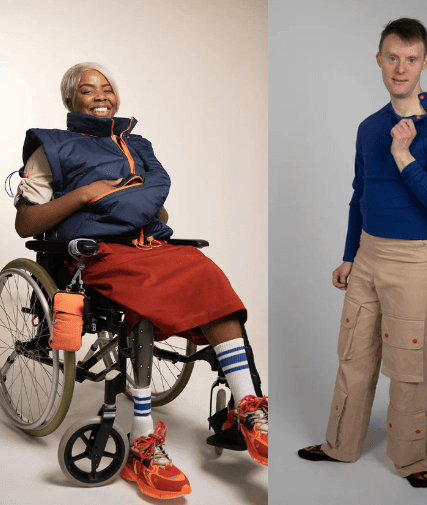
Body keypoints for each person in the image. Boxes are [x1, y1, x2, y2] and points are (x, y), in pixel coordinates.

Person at [12, 62, 268, 500]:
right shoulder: (51, 147)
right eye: (88, 89)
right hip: (94, 254)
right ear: (70, 100)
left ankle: (248, 407)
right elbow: (26, 224)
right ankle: (143, 441)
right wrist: (86, 194)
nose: (101, 95)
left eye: (107, 88)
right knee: (147, 292)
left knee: (205, 272)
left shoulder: (137, 146)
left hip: (148, 244)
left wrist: (138, 200)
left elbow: (159, 210)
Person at [296, 18, 427, 489]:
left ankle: (414, 459)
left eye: (411, 59)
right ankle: (340, 446)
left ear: (425, 62)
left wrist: (404, 156)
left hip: (415, 258)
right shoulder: (369, 127)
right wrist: (350, 255)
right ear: (379, 60)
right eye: (392, 58)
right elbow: (359, 194)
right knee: (353, 355)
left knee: (408, 366)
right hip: (368, 254)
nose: (401, 68)